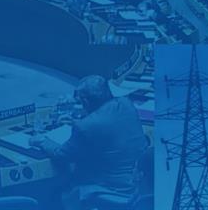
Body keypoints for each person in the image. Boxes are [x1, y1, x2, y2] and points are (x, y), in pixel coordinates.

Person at [31, 75, 148, 210]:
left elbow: (62, 154)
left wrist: (42, 141)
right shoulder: (126, 104)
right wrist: (77, 121)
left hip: (109, 189)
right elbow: (108, 124)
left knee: (52, 194)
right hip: (136, 185)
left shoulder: (86, 126)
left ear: (85, 101)